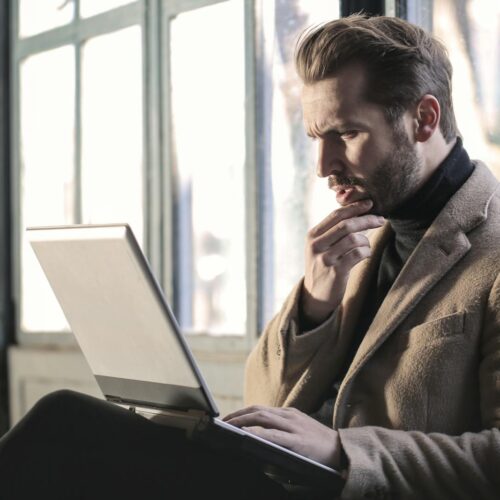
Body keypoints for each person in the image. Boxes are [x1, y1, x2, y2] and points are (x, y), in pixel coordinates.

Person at [1, 13, 499, 500]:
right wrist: (313, 305)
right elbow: (262, 401)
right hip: (271, 479)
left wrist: (342, 451)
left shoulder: (490, 254)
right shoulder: (360, 236)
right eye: (315, 139)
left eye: (345, 134)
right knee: (69, 426)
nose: (325, 166)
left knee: (66, 429)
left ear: (425, 119)